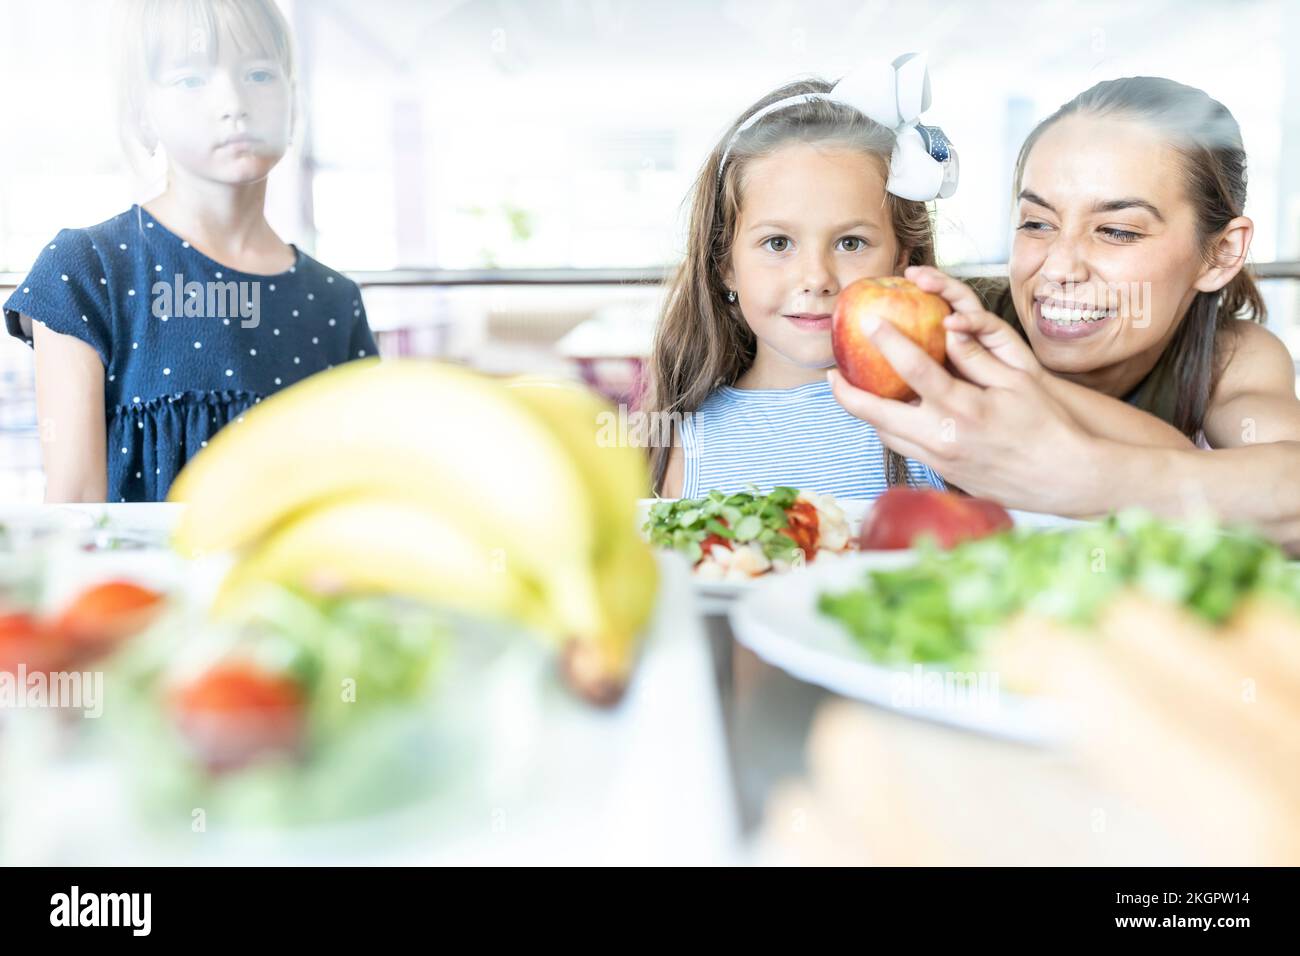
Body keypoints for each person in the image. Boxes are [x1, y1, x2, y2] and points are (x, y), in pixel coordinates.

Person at [830, 77, 1300, 552]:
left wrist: (1087, 476)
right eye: (1036, 223)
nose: (1057, 267)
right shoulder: (940, 326)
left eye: (1116, 231)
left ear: (1220, 253)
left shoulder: (1233, 358)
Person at [3, 0, 377, 503]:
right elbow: (76, 508)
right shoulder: (88, 270)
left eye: (260, 74)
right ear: (143, 114)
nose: (234, 101)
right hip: (139, 584)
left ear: (293, 100)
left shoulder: (335, 301)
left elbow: (362, 493)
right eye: (190, 80)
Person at [643, 55, 956, 499]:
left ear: (900, 260)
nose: (816, 278)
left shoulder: (942, 416)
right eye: (778, 243)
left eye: (850, 243)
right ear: (724, 263)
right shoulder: (683, 444)